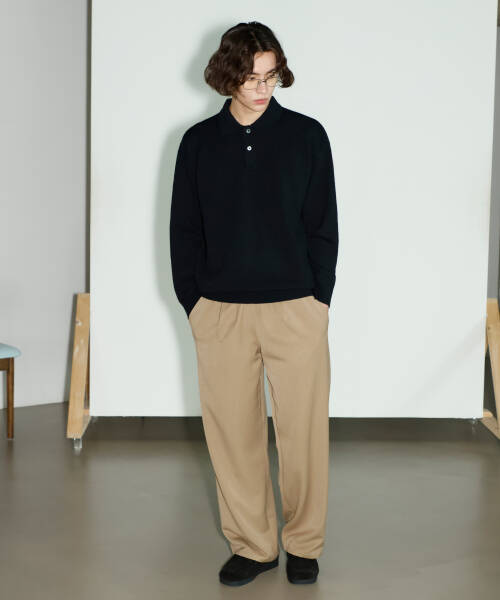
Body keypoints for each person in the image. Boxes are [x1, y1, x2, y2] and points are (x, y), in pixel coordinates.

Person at [169, 21, 338, 586]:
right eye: (250, 77)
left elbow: (323, 225)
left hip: (295, 307)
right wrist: (195, 302)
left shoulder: (307, 136)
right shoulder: (198, 143)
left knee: (303, 434)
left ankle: (304, 544)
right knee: (232, 436)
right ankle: (253, 546)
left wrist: (318, 299)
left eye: (271, 76)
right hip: (220, 311)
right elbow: (184, 231)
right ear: (227, 76)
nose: (262, 88)